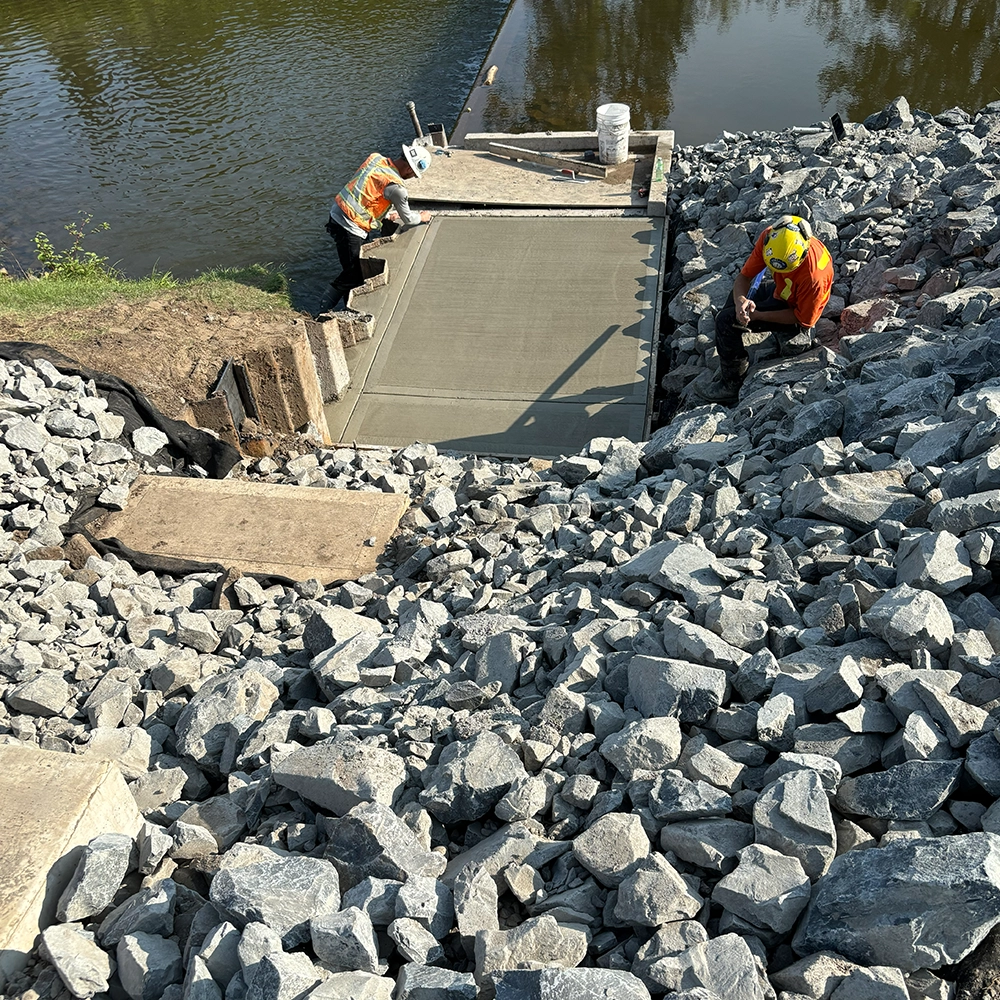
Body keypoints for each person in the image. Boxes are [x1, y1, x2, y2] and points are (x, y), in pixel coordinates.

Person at [697, 214, 834, 403]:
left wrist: (758, 315)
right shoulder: (771, 237)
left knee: (725, 322)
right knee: (731, 307)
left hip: (796, 308)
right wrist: (740, 302)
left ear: (802, 256)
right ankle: (733, 347)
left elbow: (803, 319)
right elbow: (744, 278)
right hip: (783, 289)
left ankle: (731, 384)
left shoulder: (813, 278)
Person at [325, 142, 433, 308]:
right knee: (354, 274)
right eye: (414, 175)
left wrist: (385, 214)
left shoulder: (375, 159)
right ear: (410, 170)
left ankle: (347, 304)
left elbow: (366, 193)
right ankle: (322, 309)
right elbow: (409, 220)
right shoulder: (397, 188)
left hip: (337, 213)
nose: (411, 177)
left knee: (350, 266)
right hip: (350, 227)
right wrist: (422, 216)